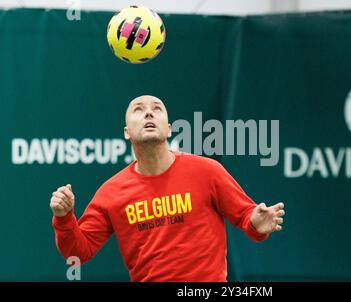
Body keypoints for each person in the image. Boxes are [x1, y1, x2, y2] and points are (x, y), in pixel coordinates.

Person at [50, 95, 285, 282]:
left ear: (170, 129)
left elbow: (246, 216)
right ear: (126, 132)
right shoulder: (111, 192)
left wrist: (256, 223)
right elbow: (79, 251)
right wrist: (64, 218)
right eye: (138, 109)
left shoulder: (207, 171)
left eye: (157, 108)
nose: (149, 112)